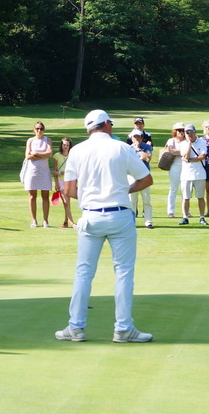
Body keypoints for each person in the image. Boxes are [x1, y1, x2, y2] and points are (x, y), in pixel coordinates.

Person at [55, 109, 154, 344]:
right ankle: (123, 329)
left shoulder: (77, 151)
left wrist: (90, 197)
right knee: (123, 273)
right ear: (106, 125)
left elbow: (69, 190)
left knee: (84, 272)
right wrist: (123, 190)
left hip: (90, 216)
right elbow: (146, 179)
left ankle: (75, 328)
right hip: (119, 215)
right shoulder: (121, 148)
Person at [22, 122, 54, 228]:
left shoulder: (47, 140)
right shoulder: (30, 140)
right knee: (32, 196)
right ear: (34, 129)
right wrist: (42, 155)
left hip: (44, 171)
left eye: (41, 129)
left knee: (45, 196)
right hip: (32, 171)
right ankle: (34, 220)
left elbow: (49, 154)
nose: (39, 131)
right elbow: (28, 156)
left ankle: (45, 220)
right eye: (37, 128)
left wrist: (35, 153)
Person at [179, 123, 208, 225]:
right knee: (186, 197)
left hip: (199, 174)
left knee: (200, 197)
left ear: (195, 132)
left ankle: (202, 217)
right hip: (186, 174)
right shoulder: (183, 144)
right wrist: (189, 144)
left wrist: (190, 160)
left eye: (191, 132)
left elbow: (202, 156)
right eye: (187, 132)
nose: (189, 134)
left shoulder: (202, 142)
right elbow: (185, 156)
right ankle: (185, 217)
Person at [129, 131, 154, 228]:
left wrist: (138, 149)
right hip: (132, 175)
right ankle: (131, 221)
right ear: (132, 138)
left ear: (142, 137)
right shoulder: (128, 148)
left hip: (144, 176)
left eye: (138, 137)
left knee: (146, 200)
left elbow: (147, 158)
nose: (136, 139)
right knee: (132, 200)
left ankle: (148, 221)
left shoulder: (146, 147)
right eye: (134, 137)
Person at [52, 137, 76, 229]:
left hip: (70, 181)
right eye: (64, 144)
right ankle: (72, 223)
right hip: (61, 181)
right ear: (61, 145)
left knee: (68, 203)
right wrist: (57, 181)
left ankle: (66, 222)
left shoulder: (72, 156)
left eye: (67, 145)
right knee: (65, 202)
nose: (65, 146)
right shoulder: (57, 156)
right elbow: (54, 171)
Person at [163, 123, 186, 219]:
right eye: (179, 130)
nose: (181, 132)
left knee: (185, 190)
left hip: (186, 167)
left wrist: (180, 152)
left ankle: (185, 212)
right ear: (175, 131)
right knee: (173, 189)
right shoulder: (171, 140)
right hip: (175, 167)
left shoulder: (187, 141)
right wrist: (184, 152)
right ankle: (171, 211)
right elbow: (172, 151)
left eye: (183, 130)